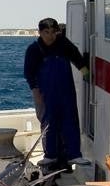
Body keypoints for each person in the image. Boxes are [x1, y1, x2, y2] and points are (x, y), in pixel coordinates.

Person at [24, 17, 89, 170]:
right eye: (46, 32)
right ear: (40, 33)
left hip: (66, 90)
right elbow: (29, 73)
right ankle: (49, 155)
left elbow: (76, 57)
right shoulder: (34, 49)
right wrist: (36, 92)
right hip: (45, 93)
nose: (50, 36)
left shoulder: (63, 44)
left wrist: (85, 72)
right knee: (48, 122)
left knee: (70, 121)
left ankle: (74, 155)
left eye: (53, 32)